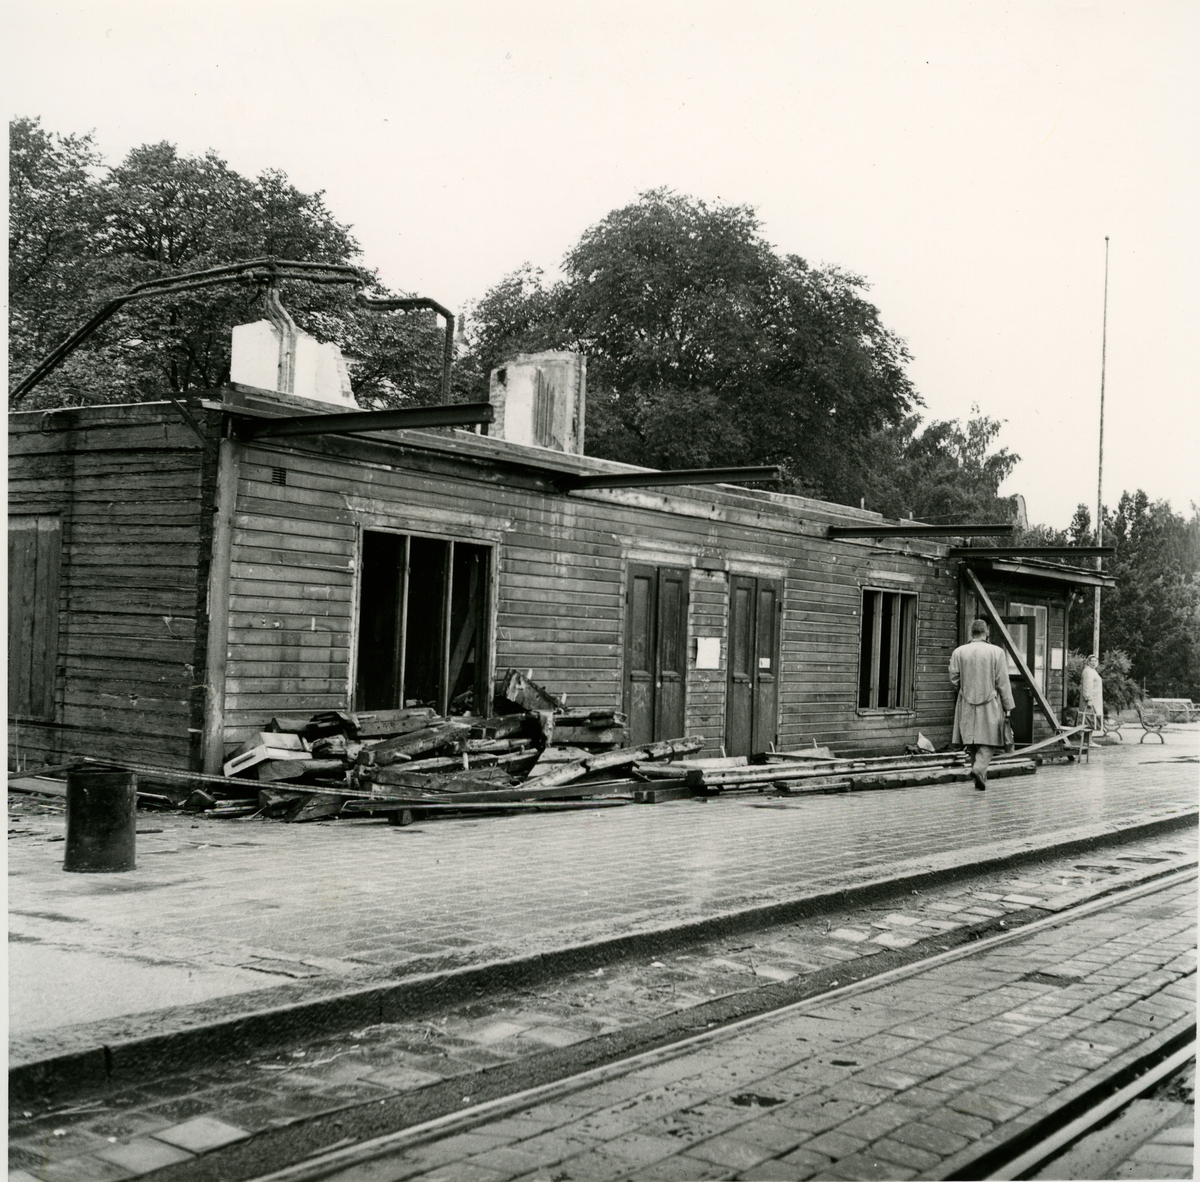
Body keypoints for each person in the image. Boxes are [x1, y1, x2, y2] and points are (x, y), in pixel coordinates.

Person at [949, 619, 1015, 791]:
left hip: (966, 702)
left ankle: (979, 780)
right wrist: (1008, 706)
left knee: (972, 742)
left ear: (971, 633)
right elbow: (1003, 682)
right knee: (990, 740)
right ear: (987, 633)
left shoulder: (959, 652)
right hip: (990, 701)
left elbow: (954, 679)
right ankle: (978, 770)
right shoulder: (997, 652)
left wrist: (965, 689)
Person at [1080, 655, 1105, 731]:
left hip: (1095, 699)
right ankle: (1086, 738)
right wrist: (1089, 699)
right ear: (1088, 662)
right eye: (1092, 661)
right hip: (1090, 700)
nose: (1094, 663)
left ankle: (1089, 737)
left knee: (1092, 718)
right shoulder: (1088, 671)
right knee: (1088, 718)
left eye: (1095, 661)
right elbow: (1087, 686)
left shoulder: (1092, 671)